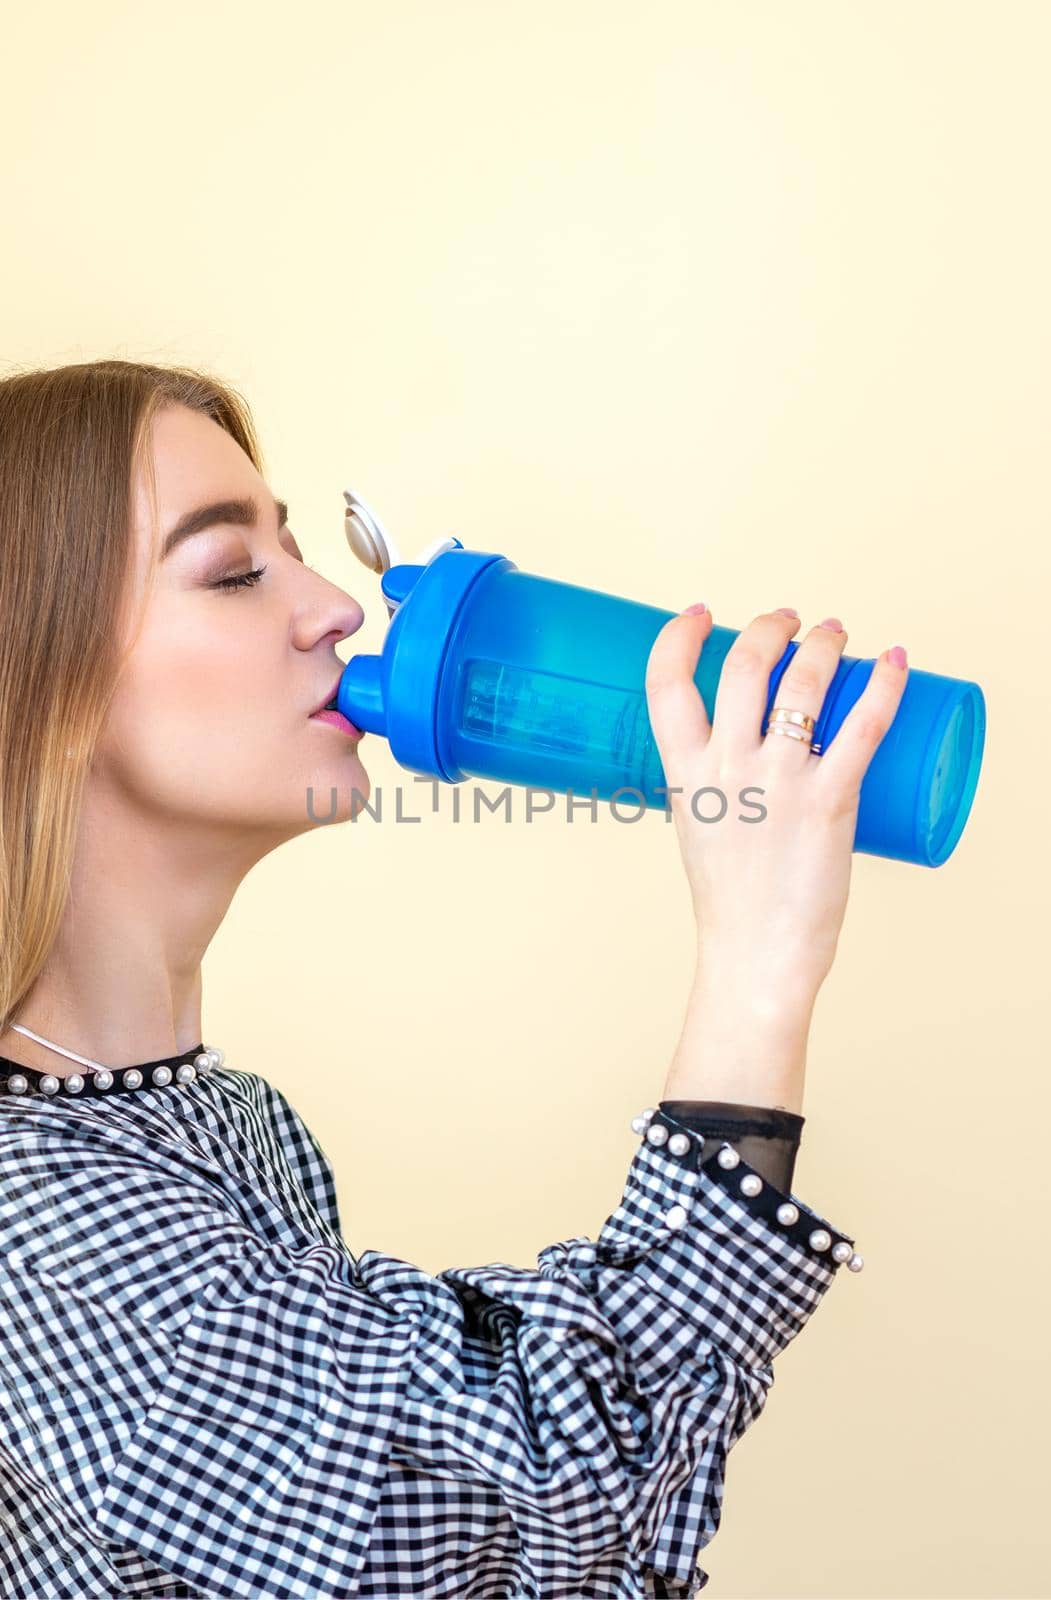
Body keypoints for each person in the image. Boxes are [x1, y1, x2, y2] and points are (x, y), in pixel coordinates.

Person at [0, 360, 907, 1599]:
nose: (333, 608)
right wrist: (757, 964)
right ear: (41, 689)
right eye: (231, 571)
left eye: (302, 548)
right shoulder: (33, 1231)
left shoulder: (228, 1122)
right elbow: (545, 1489)